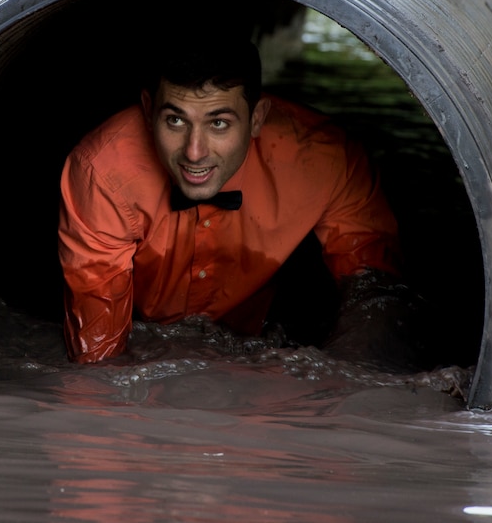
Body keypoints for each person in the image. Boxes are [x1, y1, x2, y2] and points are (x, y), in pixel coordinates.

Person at [57, 34, 427, 370]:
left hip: (260, 342)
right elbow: (98, 353)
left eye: (218, 123)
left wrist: (341, 392)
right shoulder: (102, 171)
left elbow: (375, 289)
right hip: (143, 335)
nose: (194, 152)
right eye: (175, 120)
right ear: (148, 108)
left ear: (256, 119)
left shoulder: (326, 160)